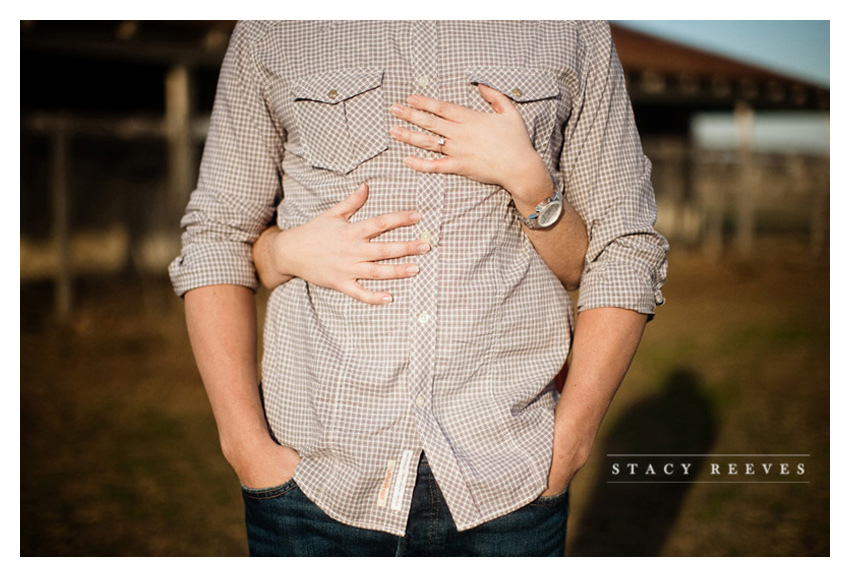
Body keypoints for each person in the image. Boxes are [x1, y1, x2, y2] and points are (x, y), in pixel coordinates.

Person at [169, 20, 668, 556]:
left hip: (512, 479)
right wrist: (246, 447)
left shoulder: (571, 28)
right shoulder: (272, 28)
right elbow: (218, 237)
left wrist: (569, 443)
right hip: (313, 482)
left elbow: (624, 248)